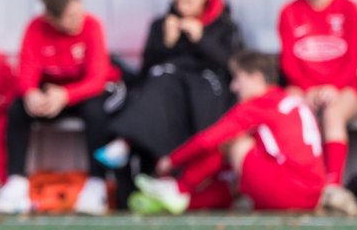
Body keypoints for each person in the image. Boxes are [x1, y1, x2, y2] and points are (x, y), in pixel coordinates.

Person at [132, 51, 328, 214]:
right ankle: (183, 202)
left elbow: (209, 140)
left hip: (285, 193)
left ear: (256, 78)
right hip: (311, 195)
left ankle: (179, 189)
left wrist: (171, 161)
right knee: (240, 167)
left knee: (233, 143)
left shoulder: (258, 105)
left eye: (238, 79)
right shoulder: (288, 99)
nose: (234, 87)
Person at [94, 0, 242, 182]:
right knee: (158, 82)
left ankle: (139, 145)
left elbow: (233, 65)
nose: (182, 6)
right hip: (170, 85)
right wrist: (167, 43)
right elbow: (145, 70)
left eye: (189, 0)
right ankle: (130, 143)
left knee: (187, 93)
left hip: (205, 85)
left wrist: (202, 39)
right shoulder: (162, 25)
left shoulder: (224, 26)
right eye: (178, 0)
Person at [0, 0, 124, 215]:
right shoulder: (36, 28)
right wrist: (31, 94)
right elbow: (27, 69)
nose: (78, 20)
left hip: (82, 94)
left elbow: (97, 78)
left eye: (79, 12)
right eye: (70, 17)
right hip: (50, 96)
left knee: (96, 112)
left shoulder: (91, 26)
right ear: (51, 19)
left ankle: (97, 183)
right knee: (17, 109)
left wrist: (65, 95)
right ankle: (16, 182)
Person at [278, 0, 357, 212]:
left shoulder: (348, 10)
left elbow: (355, 58)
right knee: (289, 108)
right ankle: (296, 186)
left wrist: (334, 87)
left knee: (332, 114)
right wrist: (307, 89)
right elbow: (288, 62)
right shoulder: (290, 12)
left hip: (346, 89)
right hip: (305, 89)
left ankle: (332, 188)